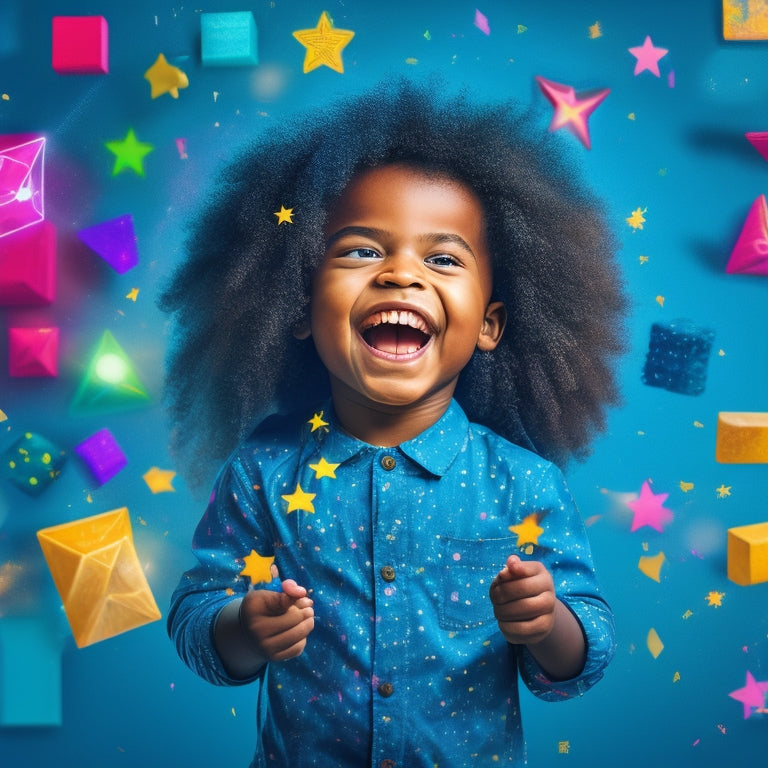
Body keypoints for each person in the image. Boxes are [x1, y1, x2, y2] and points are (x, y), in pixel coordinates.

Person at [163, 79, 626, 767]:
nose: (400, 276)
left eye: (443, 258)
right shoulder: (262, 473)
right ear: (294, 307)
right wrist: (242, 628)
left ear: (491, 324)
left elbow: (582, 655)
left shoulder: (525, 485)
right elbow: (198, 619)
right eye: (359, 251)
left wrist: (549, 623)